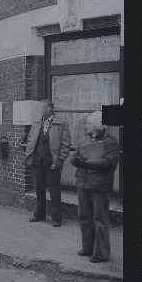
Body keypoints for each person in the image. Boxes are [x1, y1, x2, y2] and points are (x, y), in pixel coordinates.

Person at [70, 110, 119, 263]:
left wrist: (86, 163)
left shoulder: (110, 142)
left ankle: (101, 253)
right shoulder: (84, 139)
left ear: (98, 126)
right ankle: (88, 248)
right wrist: (75, 161)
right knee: (84, 217)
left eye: (89, 123)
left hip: (99, 185)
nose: (86, 126)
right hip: (83, 183)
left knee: (100, 219)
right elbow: (74, 156)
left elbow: (109, 163)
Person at [25, 99, 71, 227]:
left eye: (43, 108)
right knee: (39, 190)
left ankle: (56, 218)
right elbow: (30, 139)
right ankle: (39, 214)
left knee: (54, 191)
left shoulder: (61, 123)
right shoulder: (37, 122)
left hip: (53, 163)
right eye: (40, 108)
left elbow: (65, 144)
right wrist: (30, 153)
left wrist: (60, 159)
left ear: (50, 109)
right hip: (38, 161)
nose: (40, 110)